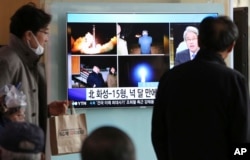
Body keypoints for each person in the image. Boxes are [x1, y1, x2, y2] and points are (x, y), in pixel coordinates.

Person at [151, 16, 250, 160]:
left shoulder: (170, 78)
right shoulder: (234, 81)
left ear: (200, 41)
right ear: (231, 46)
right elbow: (242, 138)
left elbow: (158, 134)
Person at [0, 3, 68, 133]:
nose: (47, 39)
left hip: (29, 149)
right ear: (29, 35)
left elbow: (21, 111)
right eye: (45, 33)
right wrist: (7, 122)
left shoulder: (32, 63)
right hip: (13, 151)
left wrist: (46, 110)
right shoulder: (7, 62)